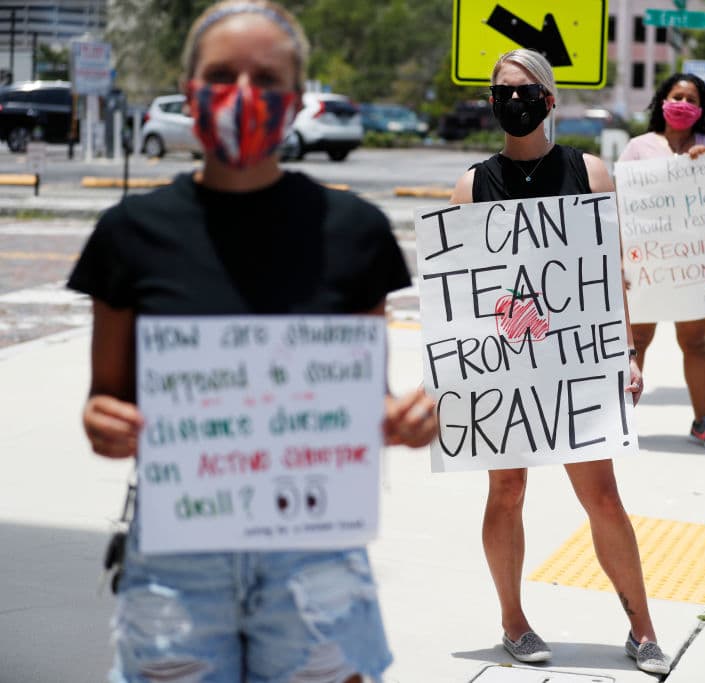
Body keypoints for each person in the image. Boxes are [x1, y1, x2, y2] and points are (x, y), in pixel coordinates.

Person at [67, 2, 438, 681]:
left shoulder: (354, 231)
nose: (243, 94)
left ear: (297, 100)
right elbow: (103, 402)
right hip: (178, 560)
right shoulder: (130, 234)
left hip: (315, 556)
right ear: (188, 92)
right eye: (221, 74)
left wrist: (398, 420)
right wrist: (104, 423)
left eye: (266, 80)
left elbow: (364, 398)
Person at [449, 49, 670, 676]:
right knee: (507, 488)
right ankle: (513, 623)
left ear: (548, 99)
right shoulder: (473, 185)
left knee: (601, 495)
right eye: (500, 92)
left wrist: (626, 353)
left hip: (574, 363)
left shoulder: (590, 172)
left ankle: (643, 628)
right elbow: (461, 292)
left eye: (523, 90)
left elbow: (610, 277)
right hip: (505, 363)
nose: (510, 101)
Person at [617, 73, 705, 454]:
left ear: (701, 110)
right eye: (676, 96)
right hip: (647, 263)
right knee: (638, 343)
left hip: (693, 264)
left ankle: (702, 422)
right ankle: (619, 421)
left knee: (696, 343)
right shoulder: (638, 148)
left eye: (691, 99)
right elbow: (619, 204)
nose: (683, 103)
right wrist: (618, 257)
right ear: (662, 101)